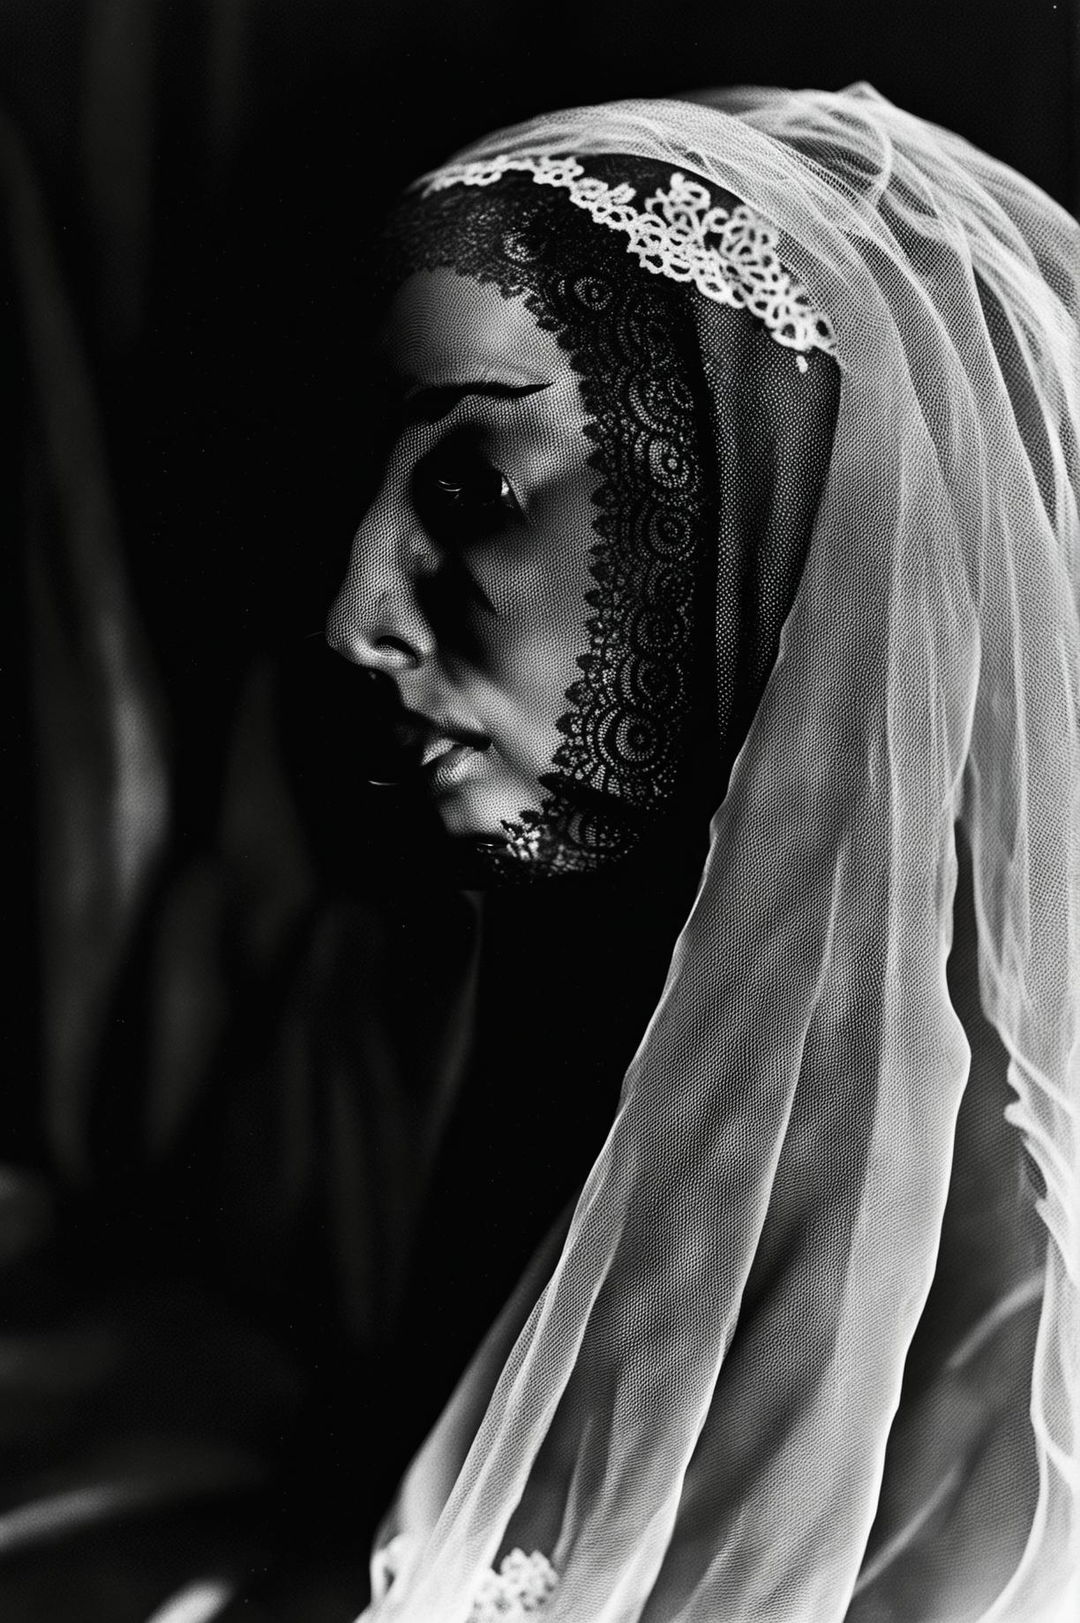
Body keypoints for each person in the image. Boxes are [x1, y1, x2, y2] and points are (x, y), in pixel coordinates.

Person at [325, 83, 1080, 1622]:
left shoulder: (987, 1337)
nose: (355, 617)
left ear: (750, 503)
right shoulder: (629, 1067)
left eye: (468, 487)